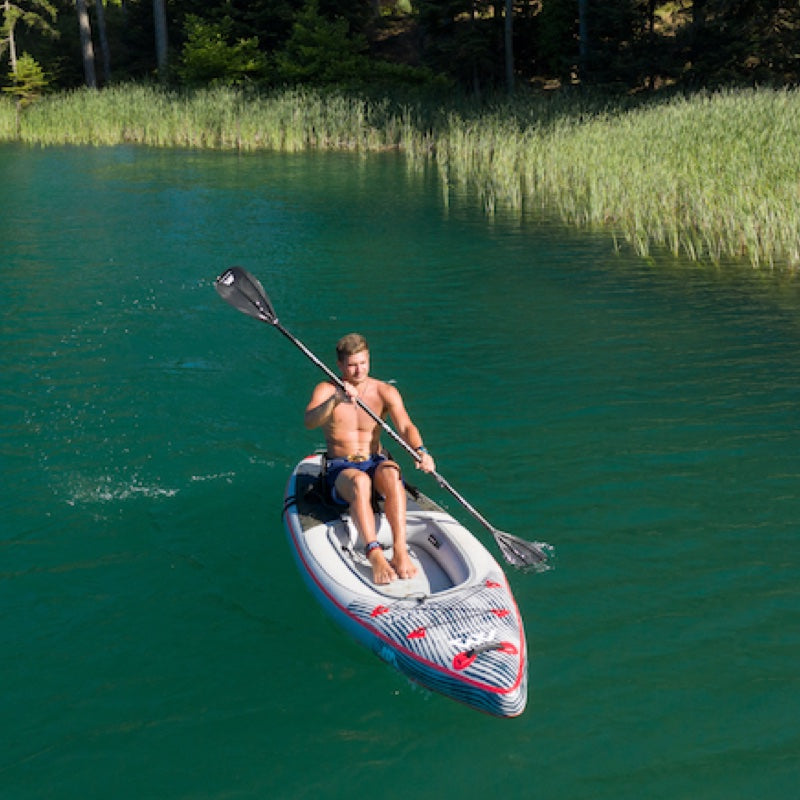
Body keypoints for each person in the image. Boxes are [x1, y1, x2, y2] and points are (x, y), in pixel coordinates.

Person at [304, 333, 436, 585]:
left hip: (373, 460)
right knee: (360, 483)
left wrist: (421, 451)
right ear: (340, 365)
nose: (358, 370)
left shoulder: (384, 391)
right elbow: (310, 421)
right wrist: (334, 401)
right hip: (340, 467)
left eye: (363, 362)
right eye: (352, 364)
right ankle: (374, 553)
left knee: (392, 473)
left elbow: (406, 426)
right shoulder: (327, 389)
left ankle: (398, 550)